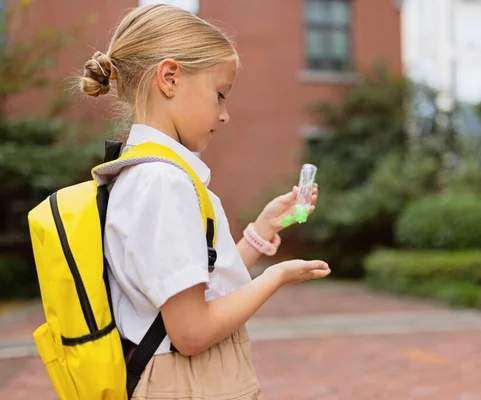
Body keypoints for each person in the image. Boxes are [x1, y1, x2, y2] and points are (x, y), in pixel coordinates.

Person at [80, 4, 330, 399]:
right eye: (219, 94)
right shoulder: (163, 183)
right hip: (186, 383)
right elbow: (191, 331)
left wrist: (261, 232)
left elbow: (200, 285)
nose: (225, 114)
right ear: (169, 78)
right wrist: (275, 277)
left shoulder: (144, 173)